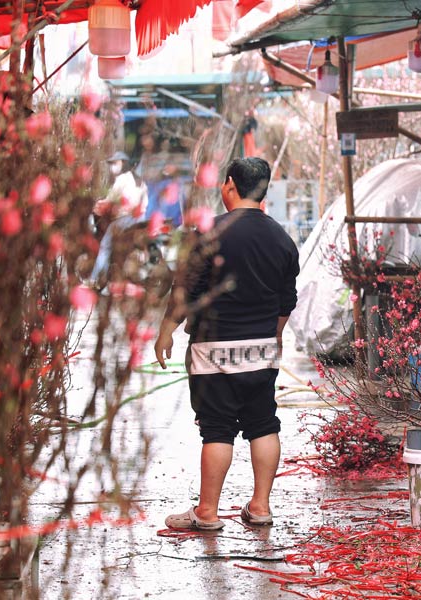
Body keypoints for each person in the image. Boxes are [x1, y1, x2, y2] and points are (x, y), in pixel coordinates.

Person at [154, 157, 299, 530]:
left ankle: (207, 512)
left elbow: (186, 289)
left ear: (230, 185)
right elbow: (286, 299)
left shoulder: (209, 233)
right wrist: (276, 335)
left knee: (217, 429)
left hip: (213, 350)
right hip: (262, 349)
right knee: (264, 423)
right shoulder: (281, 238)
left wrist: (167, 330)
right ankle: (261, 506)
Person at [88, 151, 148, 287]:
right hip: (140, 220)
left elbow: (110, 200)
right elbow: (145, 203)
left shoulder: (123, 179)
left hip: (125, 219)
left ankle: (94, 279)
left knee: (104, 246)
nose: (112, 167)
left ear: (124, 164)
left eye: (115, 163)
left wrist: (97, 206)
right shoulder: (141, 182)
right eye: (111, 164)